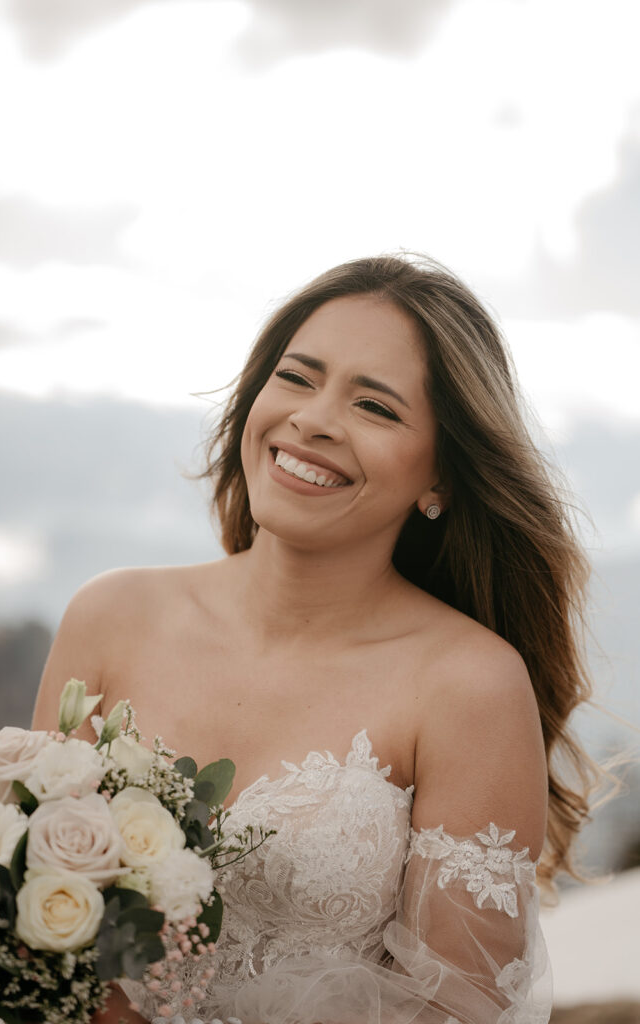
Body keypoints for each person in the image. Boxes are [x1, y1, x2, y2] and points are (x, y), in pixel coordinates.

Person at [33, 254, 598, 1023]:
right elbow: (26, 911)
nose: (315, 419)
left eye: (376, 407)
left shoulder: (470, 686)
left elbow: (460, 1012)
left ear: (442, 478)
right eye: (297, 378)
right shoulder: (109, 615)